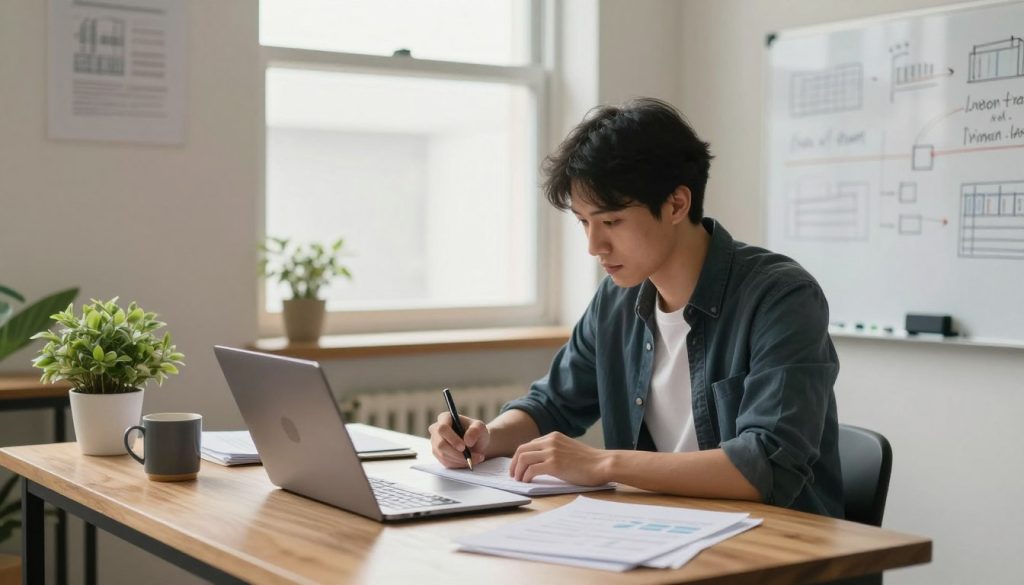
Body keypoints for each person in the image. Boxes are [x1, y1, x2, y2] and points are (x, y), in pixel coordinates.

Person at [428, 98, 844, 517]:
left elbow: (766, 464)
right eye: (583, 222)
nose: (594, 246)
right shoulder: (616, 299)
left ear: (677, 205)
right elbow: (552, 405)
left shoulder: (781, 297)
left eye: (610, 222)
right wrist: (484, 437)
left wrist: (603, 463)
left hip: (778, 546)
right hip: (661, 528)